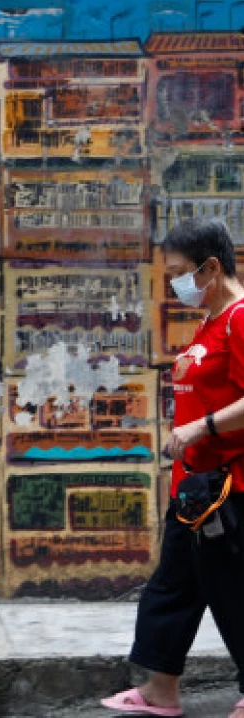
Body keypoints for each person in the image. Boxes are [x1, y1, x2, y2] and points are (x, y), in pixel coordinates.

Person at [101, 218, 244, 718]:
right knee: (173, 588)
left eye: (182, 273)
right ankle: (161, 691)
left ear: (212, 267)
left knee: (232, 590)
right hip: (195, 489)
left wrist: (202, 426)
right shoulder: (211, 321)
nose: (175, 285)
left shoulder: (240, 318)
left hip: (230, 489)